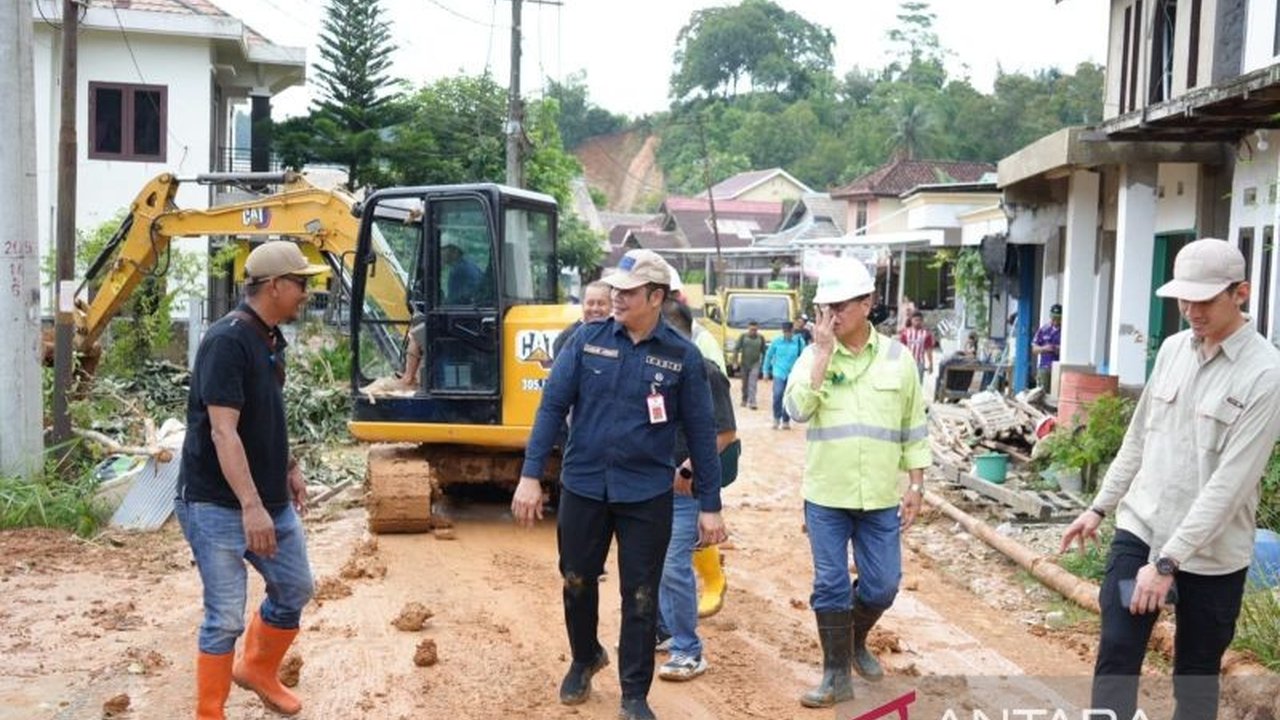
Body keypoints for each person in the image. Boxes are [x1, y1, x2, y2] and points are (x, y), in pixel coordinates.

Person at [1059, 239, 1280, 720]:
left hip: (1213, 553)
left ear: (1240, 292)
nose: (1191, 311)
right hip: (1142, 527)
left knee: (1196, 677)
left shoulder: (1266, 375)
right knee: (1117, 654)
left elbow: (1230, 485)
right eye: (1184, 299)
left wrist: (1167, 563)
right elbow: (1140, 436)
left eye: (1205, 300)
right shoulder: (1174, 350)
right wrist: (1099, 506)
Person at [511, 248, 728, 720]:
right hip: (584, 485)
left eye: (628, 292)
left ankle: (634, 693)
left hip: (646, 494)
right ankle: (584, 656)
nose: (616, 297)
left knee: (641, 595)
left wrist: (710, 504)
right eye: (615, 289)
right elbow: (551, 407)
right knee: (576, 578)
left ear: (656, 297)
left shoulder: (682, 357)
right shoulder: (586, 340)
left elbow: (702, 433)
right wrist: (530, 475)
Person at [176, 241, 323, 720]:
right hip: (217, 503)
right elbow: (223, 431)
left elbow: (265, 416)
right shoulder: (227, 341)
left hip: (266, 499)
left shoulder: (269, 339)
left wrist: (289, 465)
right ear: (275, 285)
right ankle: (210, 712)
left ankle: (257, 669)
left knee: (295, 587)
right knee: (224, 616)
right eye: (300, 283)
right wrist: (251, 506)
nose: (306, 292)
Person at [783, 257, 929, 709]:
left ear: (867, 304)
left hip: (880, 495)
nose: (830, 316)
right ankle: (834, 677)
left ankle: (852, 640)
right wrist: (822, 356)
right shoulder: (812, 355)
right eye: (824, 308)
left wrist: (916, 485)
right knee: (830, 584)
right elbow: (797, 410)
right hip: (827, 493)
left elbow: (913, 424)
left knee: (882, 586)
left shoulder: (899, 358)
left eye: (840, 306)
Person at [656, 299, 737, 683]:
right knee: (655, 565)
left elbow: (725, 433)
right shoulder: (656, 374)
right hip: (651, 486)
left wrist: (688, 467)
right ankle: (663, 631)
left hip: (685, 491)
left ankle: (688, 650)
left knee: (674, 565)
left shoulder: (706, 373)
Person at [762, 322, 806, 430]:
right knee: (778, 394)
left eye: (789, 332)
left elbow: (804, 358)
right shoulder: (776, 341)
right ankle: (776, 418)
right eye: (785, 332)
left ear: (792, 331)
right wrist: (765, 371)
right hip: (779, 372)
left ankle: (786, 420)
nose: (787, 334)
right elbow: (768, 356)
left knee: (789, 397)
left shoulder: (799, 342)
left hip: (793, 374)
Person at [552, 280, 612, 358]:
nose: (595, 309)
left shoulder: (618, 335)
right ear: (583, 305)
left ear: (612, 306)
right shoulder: (567, 338)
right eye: (590, 303)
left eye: (601, 304)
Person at [897, 311, 935, 384]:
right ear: (911, 320)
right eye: (916, 320)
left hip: (919, 363)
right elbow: (899, 348)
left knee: (918, 384)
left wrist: (931, 364)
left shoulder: (926, 334)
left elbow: (929, 350)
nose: (918, 322)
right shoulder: (905, 333)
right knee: (905, 383)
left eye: (920, 320)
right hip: (907, 362)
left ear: (922, 321)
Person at [736, 321, 767, 410]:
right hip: (744, 364)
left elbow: (764, 351)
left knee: (752, 383)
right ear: (748, 329)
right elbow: (736, 349)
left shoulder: (760, 338)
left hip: (755, 364)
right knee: (744, 384)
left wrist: (764, 364)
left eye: (755, 330)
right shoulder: (743, 337)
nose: (753, 332)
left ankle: (752, 401)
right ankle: (744, 398)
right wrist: (735, 362)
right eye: (751, 330)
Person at [1031, 303, 1062, 391]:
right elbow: (1034, 349)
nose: (1055, 320)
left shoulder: (1064, 331)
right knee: (1042, 393)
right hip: (1044, 367)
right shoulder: (1044, 329)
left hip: (1058, 368)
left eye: (1058, 318)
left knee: (1056, 393)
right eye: (1053, 317)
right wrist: (1044, 348)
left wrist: (1057, 348)